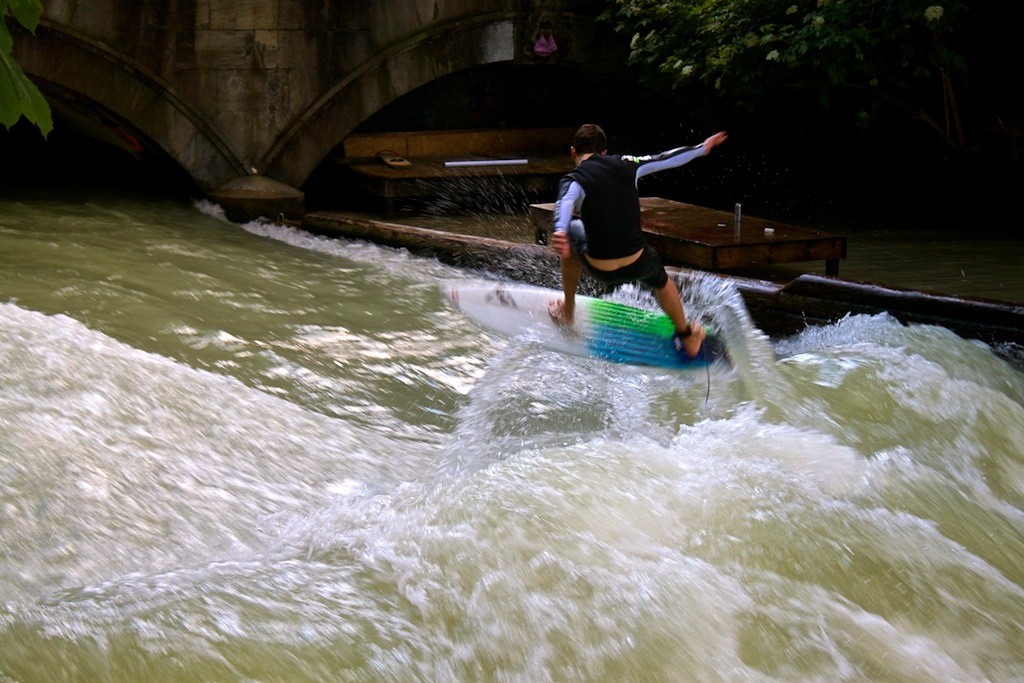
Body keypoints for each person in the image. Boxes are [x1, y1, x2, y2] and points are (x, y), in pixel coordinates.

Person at [548, 124, 728, 358]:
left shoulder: (573, 179)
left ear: (573, 152)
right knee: (662, 281)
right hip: (638, 262)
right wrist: (701, 148)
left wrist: (560, 230)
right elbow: (665, 159)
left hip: (600, 267)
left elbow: (564, 203)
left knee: (573, 230)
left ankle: (568, 310)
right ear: (604, 152)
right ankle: (686, 336)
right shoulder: (627, 164)